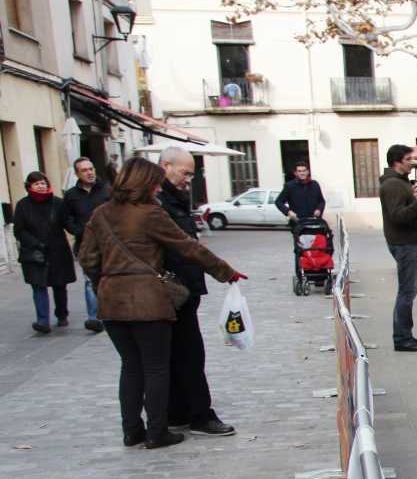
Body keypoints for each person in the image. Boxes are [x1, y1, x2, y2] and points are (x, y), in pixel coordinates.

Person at [77, 158, 244, 449]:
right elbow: (187, 246)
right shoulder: (150, 214)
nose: (157, 187)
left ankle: (132, 430)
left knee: (130, 367)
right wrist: (225, 271)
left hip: (112, 301)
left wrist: (105, 282)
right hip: (148, 300)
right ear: (143, 183)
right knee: (156, 368)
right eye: (154, 182)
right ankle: (157, 431)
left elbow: (87, 258)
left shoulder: (100, 213)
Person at [156, 147, 235, 436]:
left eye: (191, 173)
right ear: (166, 166)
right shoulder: (157, 202)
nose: (188, 179)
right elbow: (184, 246)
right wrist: (223, 270)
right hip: (172, 287)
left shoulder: (172, 198)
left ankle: (178, 411)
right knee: (188, 353)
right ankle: (198, 415)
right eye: (184, 172)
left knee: (180, 352)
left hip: (184, 286)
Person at [379, 144, 417, 352]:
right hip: (404, 243)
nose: (412, 163)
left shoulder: (400, 183)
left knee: (409, 290)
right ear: (397, 162)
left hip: (409, 243)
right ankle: (402, 337)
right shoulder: (392, 185)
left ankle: (405, 335)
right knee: (407, 291)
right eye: (408, 159)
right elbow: (397, 216)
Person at [14, 172, 76, 334]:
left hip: (57, 250)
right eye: (36, 184)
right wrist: (35, 243)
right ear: (29, 187)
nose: (40, 186)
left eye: (43, 183)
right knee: (38, 286)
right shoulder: (22, 205)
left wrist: (80, 230)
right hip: (35, 253)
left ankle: (62, 315)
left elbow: (67, 223)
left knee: (59, 286)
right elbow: (19, 231)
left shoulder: (58, 203)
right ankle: (43, 320)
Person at [62, 157, 110, 332]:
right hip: (85, 244)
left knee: (109, 278)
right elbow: (65, 218)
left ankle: (110, 313)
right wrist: (78, 230)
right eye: (84, 170)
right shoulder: (71, 195)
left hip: (108, 242)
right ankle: (94, 317)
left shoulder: (106, 190)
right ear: (77, 174)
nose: (89, 172)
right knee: (90, 280)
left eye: (91, 168)